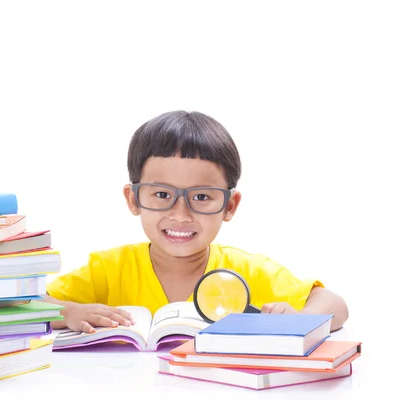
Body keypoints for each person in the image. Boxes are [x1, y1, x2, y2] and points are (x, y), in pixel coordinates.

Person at [43, 110, 348, 333]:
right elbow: (28, 305)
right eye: (162, 194)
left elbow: (334, 304)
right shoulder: (108, 269)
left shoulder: (247, 270)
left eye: (201, 197)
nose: (180, 214)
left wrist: (299, 319)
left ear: (230, 205)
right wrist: (69, 311)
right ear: (133, 199)